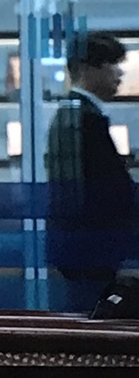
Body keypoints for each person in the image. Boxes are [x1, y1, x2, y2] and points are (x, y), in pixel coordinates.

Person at [45, 31, 138, 313]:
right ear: (87, 68)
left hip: (82, 248)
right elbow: (107, 190)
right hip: (92, 248)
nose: (119, 73)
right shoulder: (84, 117)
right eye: (112, 64)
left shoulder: (74, 113)